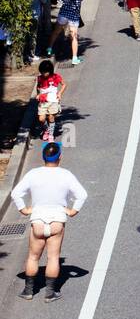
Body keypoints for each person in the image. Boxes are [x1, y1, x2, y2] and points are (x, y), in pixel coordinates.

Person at [12, 142, 87, 300]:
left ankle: (28, 290)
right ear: (60, 157)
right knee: (53, 257)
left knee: (33, 257)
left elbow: (16, 193)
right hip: (57, 221)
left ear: (43, 157)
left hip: (38, 220)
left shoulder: (33, 174)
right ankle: (50, 292)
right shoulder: (66, 174)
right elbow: (82, 194)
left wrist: (24, 209)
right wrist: (72, 211)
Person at [54, 0, 86, 65]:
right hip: (74, 16)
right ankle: (74, 58)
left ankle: (49, 49)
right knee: (74, 37)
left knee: (55, 32)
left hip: (63, 14)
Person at [34, 58, 65, 142]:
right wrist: (38, 94)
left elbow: (64, 85)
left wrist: (59, 93)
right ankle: (46, 130)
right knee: (41, 119)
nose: (44, 74)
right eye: (42, 72)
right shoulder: (40, 78)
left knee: (51, 117)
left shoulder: (55, 77)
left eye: (45, 72)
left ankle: (51, 134)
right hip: (43, 101)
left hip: (53, 101)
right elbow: (38, 87)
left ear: (50, 71)